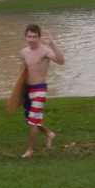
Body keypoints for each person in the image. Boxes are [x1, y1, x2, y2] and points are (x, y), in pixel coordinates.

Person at [19, 23, 65, 158]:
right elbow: (22, 72)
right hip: (27, 89)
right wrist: (19, 91)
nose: (32, 39)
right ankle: (49, 134)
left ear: (39, 37)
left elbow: (61, 61)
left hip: (39, 88)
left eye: (34, 36)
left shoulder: (45, 51)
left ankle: (30, 149)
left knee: (33, 121)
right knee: (31, 119)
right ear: (25, 37)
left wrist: (53, 44)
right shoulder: (24, 52)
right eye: (29, 36)